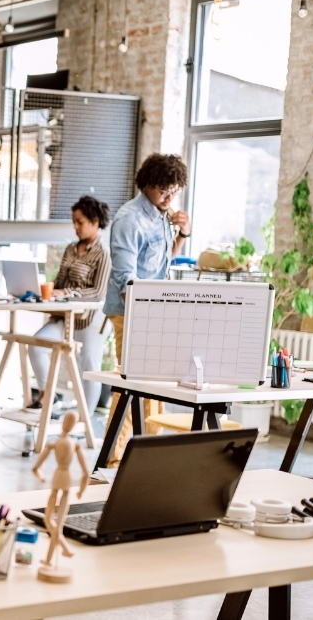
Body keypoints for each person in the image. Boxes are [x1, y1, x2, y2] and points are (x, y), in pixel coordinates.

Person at [103, 153, 191, 464]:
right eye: (163, 190)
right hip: (132, 314)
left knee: (154, 388)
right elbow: (125, 278)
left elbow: (162, 263)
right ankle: (112, 459)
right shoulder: (131, 219)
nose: (169, 197)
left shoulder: (160, 215)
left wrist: (182, 234)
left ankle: (145, 457)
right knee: (130, 384)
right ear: (147, 185)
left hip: (154, 313)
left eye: (174, 190)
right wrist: (146, 320)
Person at [26, 196, 112, 411]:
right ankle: (49, 395)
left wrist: (67, 291)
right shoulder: (71, 249)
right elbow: (61, 281)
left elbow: (98, 291)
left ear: (94, 221)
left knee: (89, 366)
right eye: (73, 221)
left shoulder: (104, 253)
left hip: (90, 318)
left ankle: (86, 419)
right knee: (37, 344)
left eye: (79, 222)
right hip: (64, 317)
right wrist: (50, 290)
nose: (75, 226)